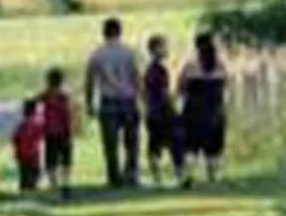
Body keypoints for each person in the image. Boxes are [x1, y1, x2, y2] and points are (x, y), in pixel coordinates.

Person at [86, 16, 143, 188]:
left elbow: (90, 81)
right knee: (131, 141)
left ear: (104, 33)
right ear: (120, 32)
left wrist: (90, 102)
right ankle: (131, 173)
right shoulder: (129, 52)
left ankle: (114, 176)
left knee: (110, 142)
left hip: (108, 100)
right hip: (128, 99)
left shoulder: (97, 54)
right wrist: (142, 98)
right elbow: (136, 77)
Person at [179, 31, 230, 185]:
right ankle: (212, 176)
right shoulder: (220, 66)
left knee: (191, 146)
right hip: (215, 110)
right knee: (213, 146)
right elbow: (225, 86)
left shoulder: (190, 66)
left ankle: (188, 175)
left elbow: (181, 87)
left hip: (194, 111)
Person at [143, 34, 184, 188]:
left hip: (153, 111)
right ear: (154, 49)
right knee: (174, 143)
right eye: (163, 47)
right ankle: (178, 175)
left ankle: (157, 177)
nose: (166, 50)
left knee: (155, 144)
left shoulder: (150, 70)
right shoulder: (159, 70)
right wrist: (173, 106)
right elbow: (163, 92)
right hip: (163, 111)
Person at [38, 67, 78, 201]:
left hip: (49, 132)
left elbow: (35, 110)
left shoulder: (43, 96)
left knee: (51, 160)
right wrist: (73, 128)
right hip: (64, 132)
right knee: (66, 159)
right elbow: (69, 114)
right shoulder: (64, 97)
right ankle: (65, 184)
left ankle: (53, 184)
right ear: (61, 81)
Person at [10, 96, 45, 194]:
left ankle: (24, 190)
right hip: (34, 153)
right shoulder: (38, 123)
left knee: (24, 174)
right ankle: (31, 189)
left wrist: (16, 151)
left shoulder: (22, 125)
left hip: (22, 154)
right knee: (34, 173)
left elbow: (15, 139)